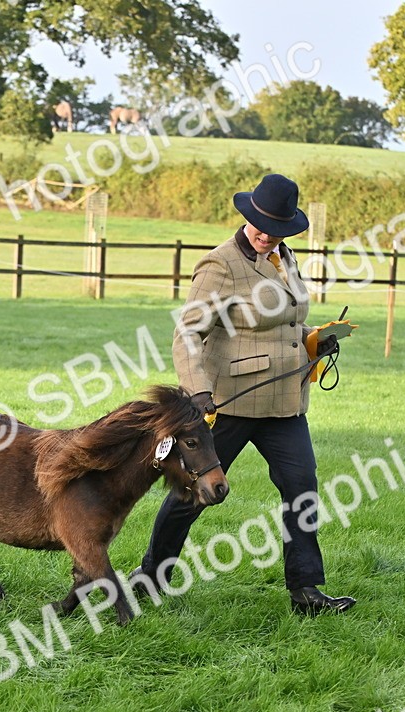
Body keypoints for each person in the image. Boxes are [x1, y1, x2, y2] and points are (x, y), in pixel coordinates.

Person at [130, 173, 355, 615]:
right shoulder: (220, 265)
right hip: (227, 402)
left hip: (285, 403)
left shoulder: (284, 257)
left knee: (302, 488)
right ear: (246, 214)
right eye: (259, 222)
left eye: (275, 226)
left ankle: (306, 591)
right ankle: (151, 576)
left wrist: (315, 339)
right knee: (192, 495)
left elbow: (285, 326)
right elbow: (187, 334)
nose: (265, 232)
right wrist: (197, 392)